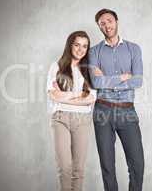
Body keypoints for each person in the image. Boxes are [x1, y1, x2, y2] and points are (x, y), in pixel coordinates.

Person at [89, 9, 144, 191]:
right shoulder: (94, 52)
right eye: (102, 23)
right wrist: (122, 78)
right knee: (107, 166)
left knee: (137, 164)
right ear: (99, 27)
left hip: (127, 111)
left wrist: (108, 82)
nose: (106, 26)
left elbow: (137, 80)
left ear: (117, 21)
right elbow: (96, 82)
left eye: (109, 21)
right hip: (102, 111)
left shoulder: (133, 49)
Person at [46, 31, 95, 191]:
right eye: (77, 45)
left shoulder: (89, 70)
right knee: (65, 168)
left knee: (78, 170)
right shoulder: (57, 66)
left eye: (84, 46)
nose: (80, 49)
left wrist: (65, 95)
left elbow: (91, 98)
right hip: (60, 119)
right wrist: (79, 94)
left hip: (82, 121)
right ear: (70, 45)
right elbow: (54, 95)